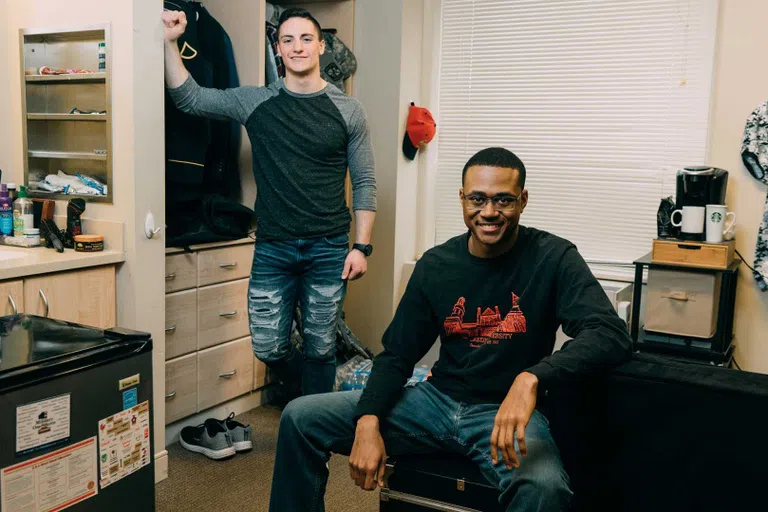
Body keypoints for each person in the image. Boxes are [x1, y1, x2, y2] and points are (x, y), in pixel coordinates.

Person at [269, 147, 632, 511]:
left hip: (502, 414)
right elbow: (397, 355)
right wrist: (368, 419)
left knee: (544, 487)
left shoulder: (553, 257)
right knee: (300, 417)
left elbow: (610, 334)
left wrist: (532, 379)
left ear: (523, 200)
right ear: (462, 198)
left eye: (503, 200)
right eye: (477, 198)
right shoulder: (437, 264)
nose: (489, 212)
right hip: (434, 403)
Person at [162, 8, 377, 397]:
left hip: (328, 248)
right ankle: (315, 398)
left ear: (321, 45)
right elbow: (190, 99)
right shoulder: (256, 102)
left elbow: (364, 181)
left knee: (321, 347)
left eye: (306, 39)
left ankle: (312, 435)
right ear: (277, 48)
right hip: (273, 248)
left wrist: (361, 247)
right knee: (268, 346)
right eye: (288, 40)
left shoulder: (348, 110)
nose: (298, 47)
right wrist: (170, 43)